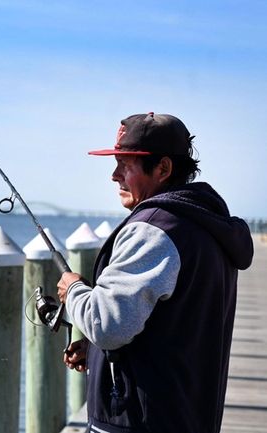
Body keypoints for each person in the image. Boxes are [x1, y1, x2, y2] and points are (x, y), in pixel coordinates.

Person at [56, 112, 253, 433]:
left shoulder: (153, 231)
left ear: (163, 168)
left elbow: (106, 325)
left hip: (141, 420)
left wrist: (73, 290)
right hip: (187, 414)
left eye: (126, 164)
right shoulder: (203, 225)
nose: (114, 175)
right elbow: (174, 325)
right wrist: (97, 353)